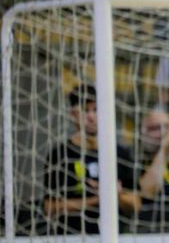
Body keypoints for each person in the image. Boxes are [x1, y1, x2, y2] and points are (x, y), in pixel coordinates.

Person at [43, 85, 141, 234]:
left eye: (96, 110)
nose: (91, 116)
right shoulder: (60, 154)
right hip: (70, 239)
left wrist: (116, 194)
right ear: (73, 114)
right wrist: (98, 199)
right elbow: (50, 207)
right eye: (85, 110)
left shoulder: (120, 153)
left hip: (115, 238)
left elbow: (136, 204)